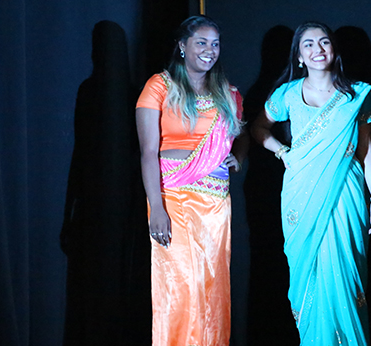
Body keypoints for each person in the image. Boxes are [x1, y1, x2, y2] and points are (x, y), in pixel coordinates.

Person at [251, 21, 371, 345]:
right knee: (308, 281)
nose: (317, 49)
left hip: (346, 196)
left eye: (324, 42)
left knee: (347, 282)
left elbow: (367, 151)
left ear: (334, 50)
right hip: (301, 195)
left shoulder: (358, 95)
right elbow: (258, 129)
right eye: (308, 44)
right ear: (299, 56)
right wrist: (283, 152)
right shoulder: (287, 94)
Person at [135, 15, 244, 346]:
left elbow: (241, 133)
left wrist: (238, 158)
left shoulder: (227, 92)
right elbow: (148, 152)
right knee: (181, 286)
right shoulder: (159, 86)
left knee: (211, 287)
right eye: (201, 42)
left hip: (215, 203)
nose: (210, 50)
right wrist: (156, 207)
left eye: (215, 44)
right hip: (174, 198)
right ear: (182, 46)